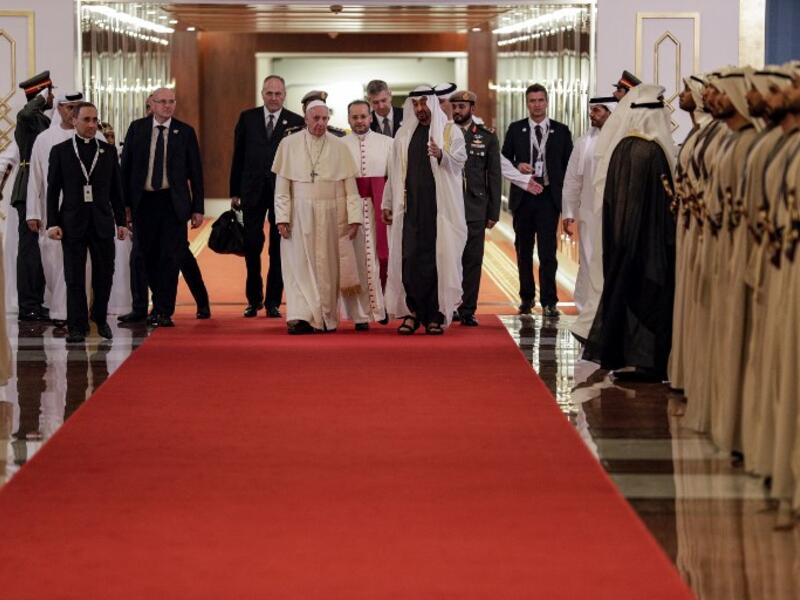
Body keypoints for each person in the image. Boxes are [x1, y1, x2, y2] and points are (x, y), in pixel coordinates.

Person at [583, 84, 677, 381]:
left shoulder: (623, 147)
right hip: (649, 246)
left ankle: (628, 357)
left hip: (625, 244)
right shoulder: (649, 151)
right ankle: (646, 361)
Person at [382, 85, 467, 335]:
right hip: (409, 208)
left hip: (438, 210)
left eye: (424, 103)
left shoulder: (450, 132)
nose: (420, 109)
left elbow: (459, 163)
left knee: (434, 260)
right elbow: (393, 172)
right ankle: (411, 313)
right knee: (409, 259)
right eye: (416, 104)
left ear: (432, 103)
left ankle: (434, 314)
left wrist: (442, 155)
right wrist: (388, 202)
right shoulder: (403, 135)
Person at [272, 101, 362, 334]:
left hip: (331, 213)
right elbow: (282, 187)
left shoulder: (340, 146)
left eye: (324, 119)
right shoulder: (288, 144)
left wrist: (354, 218)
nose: (321, 124)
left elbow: (350, 187)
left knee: (327, 267)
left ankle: (324, 317)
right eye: (316, 119)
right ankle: (299, 316)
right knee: (298, 265)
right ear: (306, 118)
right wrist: (282, 217)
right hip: (299, 213)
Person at [119, 97, 210, 323]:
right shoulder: (137, 128)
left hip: (173, 203)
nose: (167, 105)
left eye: (171, 101)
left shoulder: (185, 132)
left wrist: (198, 207)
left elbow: (196, 173)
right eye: (162, 101)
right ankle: (140, 307)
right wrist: (124, 206)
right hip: (144, 201)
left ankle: (163, 310)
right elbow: (126, 168)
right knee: (140, 256)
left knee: (169, 258)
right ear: (151, 104)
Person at [45, 102, 127, 343]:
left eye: (95, 120)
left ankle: (100, 318)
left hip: (102, 222)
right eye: (87, 120)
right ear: (74, 121)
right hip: (72, 223)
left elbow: (116, 191)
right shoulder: (60, 151)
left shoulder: (108, 151)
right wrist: (52, 223)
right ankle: (77, 326)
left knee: (105, 274)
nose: (92, 125)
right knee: (74, 277)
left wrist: (121, 221)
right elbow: (52, 191)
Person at [230, 75, 304, 319]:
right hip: (251, 192)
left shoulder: (295, 121)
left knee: (278, 248)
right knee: (251, 246)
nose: (274, 98)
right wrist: (235, 191)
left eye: (278, 94)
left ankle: (273, 301)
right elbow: (238, 155)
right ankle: (254, 300)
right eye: (269, 93)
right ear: (263, 94)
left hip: (282, 193)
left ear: (284, 95)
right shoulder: (247, 118)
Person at [501, 83, 573, 318]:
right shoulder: (516, 129)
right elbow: (503, 160)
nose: (537, 105)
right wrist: (517, 165)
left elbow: (569, 167)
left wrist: (568, 204)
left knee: (548, 252)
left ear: (547, 101)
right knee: (523, 250)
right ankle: (526, 298)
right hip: (524, 197)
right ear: (527, 103)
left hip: (548, 198)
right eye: (532, 101)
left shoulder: (561, 131)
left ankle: (550, 301)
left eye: (540, 100)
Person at [25, 92, 95, 329]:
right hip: (52, 211)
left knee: (81, 264)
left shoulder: (93, 139)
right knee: (54, 262)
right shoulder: (45, 139)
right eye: (68, 107)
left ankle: (74, 313)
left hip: (84, 213)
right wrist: (33, 212)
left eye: (77, 107)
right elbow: (35, 178)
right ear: (59, 108)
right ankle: (58, 309)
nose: (71, 111)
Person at [561, 96, 616, 342]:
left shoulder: (620, 140)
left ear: (609, 112)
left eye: (597, 110)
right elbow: (572, 181)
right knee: (589, 261)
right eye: (591, 110)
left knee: (609, 264)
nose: (592, 114)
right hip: (589, 217)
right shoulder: (584, 143)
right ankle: (586, 314)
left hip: (613, 215)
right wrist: (569, 213)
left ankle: (609, 314)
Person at [340, 99, 393, 329]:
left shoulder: (388, 143)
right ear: (349, 119)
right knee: (356, 261)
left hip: (379, 208)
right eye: (355, 117)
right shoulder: (339, 145)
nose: (359, 121)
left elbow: (394, 178)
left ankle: (382, 308)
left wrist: (390, 204)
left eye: (363, 117)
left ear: (370, 117)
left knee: (381, 259)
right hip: (350, 208)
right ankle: (360, 315)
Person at [451, 89, 501, 326]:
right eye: (455, 107)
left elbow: (494, 175)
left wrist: (493, 212)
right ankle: (449, 305)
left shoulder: (486, 136)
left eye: (462, 107)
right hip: (450, 207)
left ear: (472, 108)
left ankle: (467, 309)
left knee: (472, 259)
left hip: (474, 207)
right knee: (450, 259)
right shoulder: (444, 134)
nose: (458, 111)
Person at [11, 71, 53, 322]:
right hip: (27, 186)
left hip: (38, 187)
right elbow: (24, 113)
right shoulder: (30, 118)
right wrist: (39, 99)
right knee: (28, 250)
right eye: (50, 92)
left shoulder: (42, 120)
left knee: (37, 250)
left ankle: (35, 301)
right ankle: (28, 304)